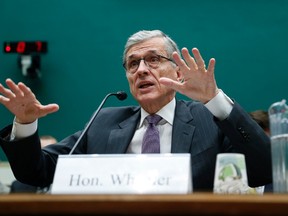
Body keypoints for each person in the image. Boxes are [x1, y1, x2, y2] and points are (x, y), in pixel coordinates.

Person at [0, 30, 272, 192]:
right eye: (133, 64)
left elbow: (264, 168)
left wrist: (213, 99)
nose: (142, 69)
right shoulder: (105, 122)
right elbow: (37, 172)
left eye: (153, 59)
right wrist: (25, 124)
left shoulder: (209, 119)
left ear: (177, 71)